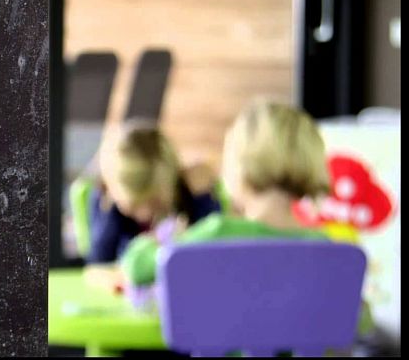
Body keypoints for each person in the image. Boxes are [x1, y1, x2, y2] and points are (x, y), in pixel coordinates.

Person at [120, 100, 331, 287]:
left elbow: (136, 266)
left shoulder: (219, 235)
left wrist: (160, 241)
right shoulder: (327, 249)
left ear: (242, 167)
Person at [85, 121, 221, 266]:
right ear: (111, 192)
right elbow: (99, 261)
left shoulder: (188, 193)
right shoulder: (106, 201)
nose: (145, 213)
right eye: (133, 205)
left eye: (155, 201)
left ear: (173, 180)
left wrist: (202, 198)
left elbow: (215, 247)